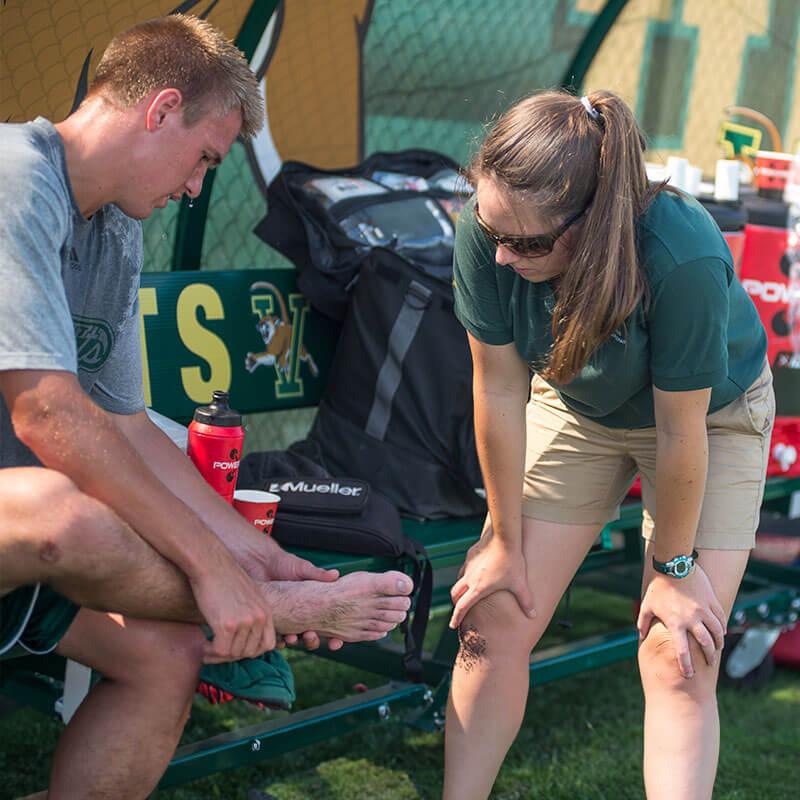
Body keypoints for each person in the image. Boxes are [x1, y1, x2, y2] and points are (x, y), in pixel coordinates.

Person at [0, 15, 414, 798]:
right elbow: (47, 415)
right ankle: (278, 609)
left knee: (167, 657)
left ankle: (277, 592)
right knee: (70, 512)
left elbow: (129, 428)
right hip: (28, 517)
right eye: (202, 159)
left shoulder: (118, 226)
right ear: (159, 110)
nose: (195, 187)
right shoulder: (15, 175)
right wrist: (215, 571)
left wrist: (254, 554)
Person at [444, 89, 773, 800]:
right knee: (492, 620)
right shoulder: (489, 230)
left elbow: (681, 428)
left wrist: (674, 567)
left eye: (526, 244)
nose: (500, 256)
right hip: (578, 408)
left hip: (707, 420)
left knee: (676, 652)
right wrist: (501, 540)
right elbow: (498, 390)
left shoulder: (678, 252)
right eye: (490, 229)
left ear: (590, 221)